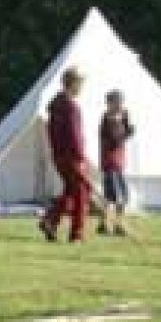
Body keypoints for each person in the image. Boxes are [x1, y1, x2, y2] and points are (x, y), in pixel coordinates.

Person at [39, 67, 90, 243]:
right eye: (81, 84)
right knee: (82, 193)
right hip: (72, 157)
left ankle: (51, 219)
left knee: (70, 191)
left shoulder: (55, 105)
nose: (82, 88)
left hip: (59, 156)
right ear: (74, 83)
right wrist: (81, 157)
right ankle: (77, 234)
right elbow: (74, 136)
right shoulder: (71, 107)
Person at [98, 90, 135, 236]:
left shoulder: (118, 118)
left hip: (117, 162)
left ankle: (106, 224)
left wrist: (126, 121)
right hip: (111, 162)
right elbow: (115, 140)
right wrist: (128, 132)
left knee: (114, 196)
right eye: (118, 102)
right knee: (117, 196)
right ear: (110, 103)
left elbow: (122, 135)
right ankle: (116, 224)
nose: (121, 105)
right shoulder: (108, 119)